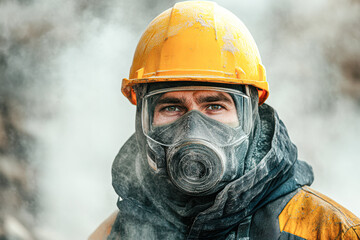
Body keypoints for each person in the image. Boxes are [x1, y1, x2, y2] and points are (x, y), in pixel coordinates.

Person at [89, 1, 360, 239]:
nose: (193, 129)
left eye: (215, 105)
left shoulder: (329, 231)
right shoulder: (113, 235)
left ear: (250, 117)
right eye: (171, 107)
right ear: (143, 122)